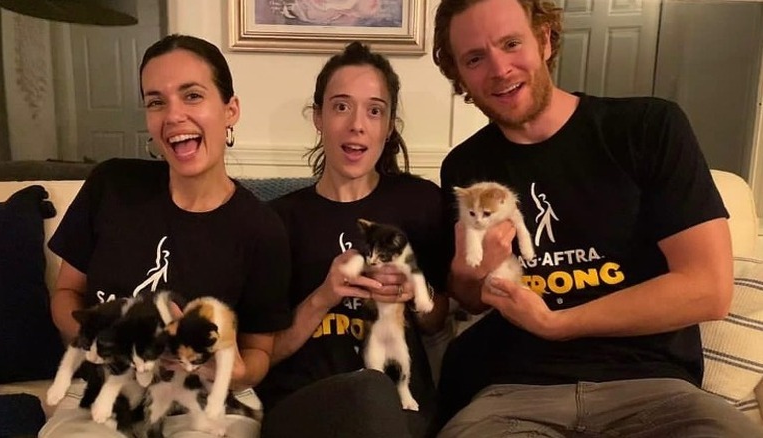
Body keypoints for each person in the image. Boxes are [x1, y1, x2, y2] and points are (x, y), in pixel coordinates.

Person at [430, 0, 763, 436]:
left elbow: (708, 289)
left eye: (511, 43)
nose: (499, 69)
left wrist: (557, 324)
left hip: (653, 392)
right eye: (475, 58)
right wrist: (466, 271)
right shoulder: (465, 166)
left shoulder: (648, 127)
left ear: (545, 39)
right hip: (513, 395)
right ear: (460, 74)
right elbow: (471, 298)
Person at [39, 34, 292, 438]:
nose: (172, 115)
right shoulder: (112, 185)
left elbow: (259, 351)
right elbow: (66, 294)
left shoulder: (262, 228)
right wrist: (101, 345)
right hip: (103, 392)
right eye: (156, 101)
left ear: (230, 110)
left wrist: (235, 370)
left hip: (204, 401)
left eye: (192, 96)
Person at [255, 41, 450, 438]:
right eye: (341, 106)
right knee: (367, 390)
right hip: (304, 405)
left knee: (377, 393)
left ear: (389, 124)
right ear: (318, 118)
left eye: (374, 110)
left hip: (402, 405)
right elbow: (263, 353)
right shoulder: (276, 221)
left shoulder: (420, 201)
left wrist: (416, 291)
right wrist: (323, 297)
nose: (357, 124)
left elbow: (436, 321)